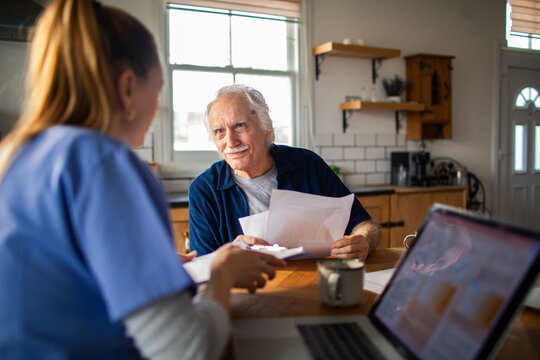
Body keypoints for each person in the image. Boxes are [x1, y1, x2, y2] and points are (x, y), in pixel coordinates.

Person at [0, 1, 285, 359]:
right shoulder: (105, 164)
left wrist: (153, 265)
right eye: (158, 89)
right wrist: (221, 274)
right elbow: (189, 350)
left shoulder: (17, 154)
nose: (157, 107)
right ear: (128, 88)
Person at [189, 84, 381, 260]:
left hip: (316, 280)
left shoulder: (308, 165)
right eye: (219, 131)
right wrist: (232, 255)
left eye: (240, 126)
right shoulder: (204, 190)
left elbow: (365, 225)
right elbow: (203, 266)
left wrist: (363, 240)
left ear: (266, 128)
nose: (230, 142)